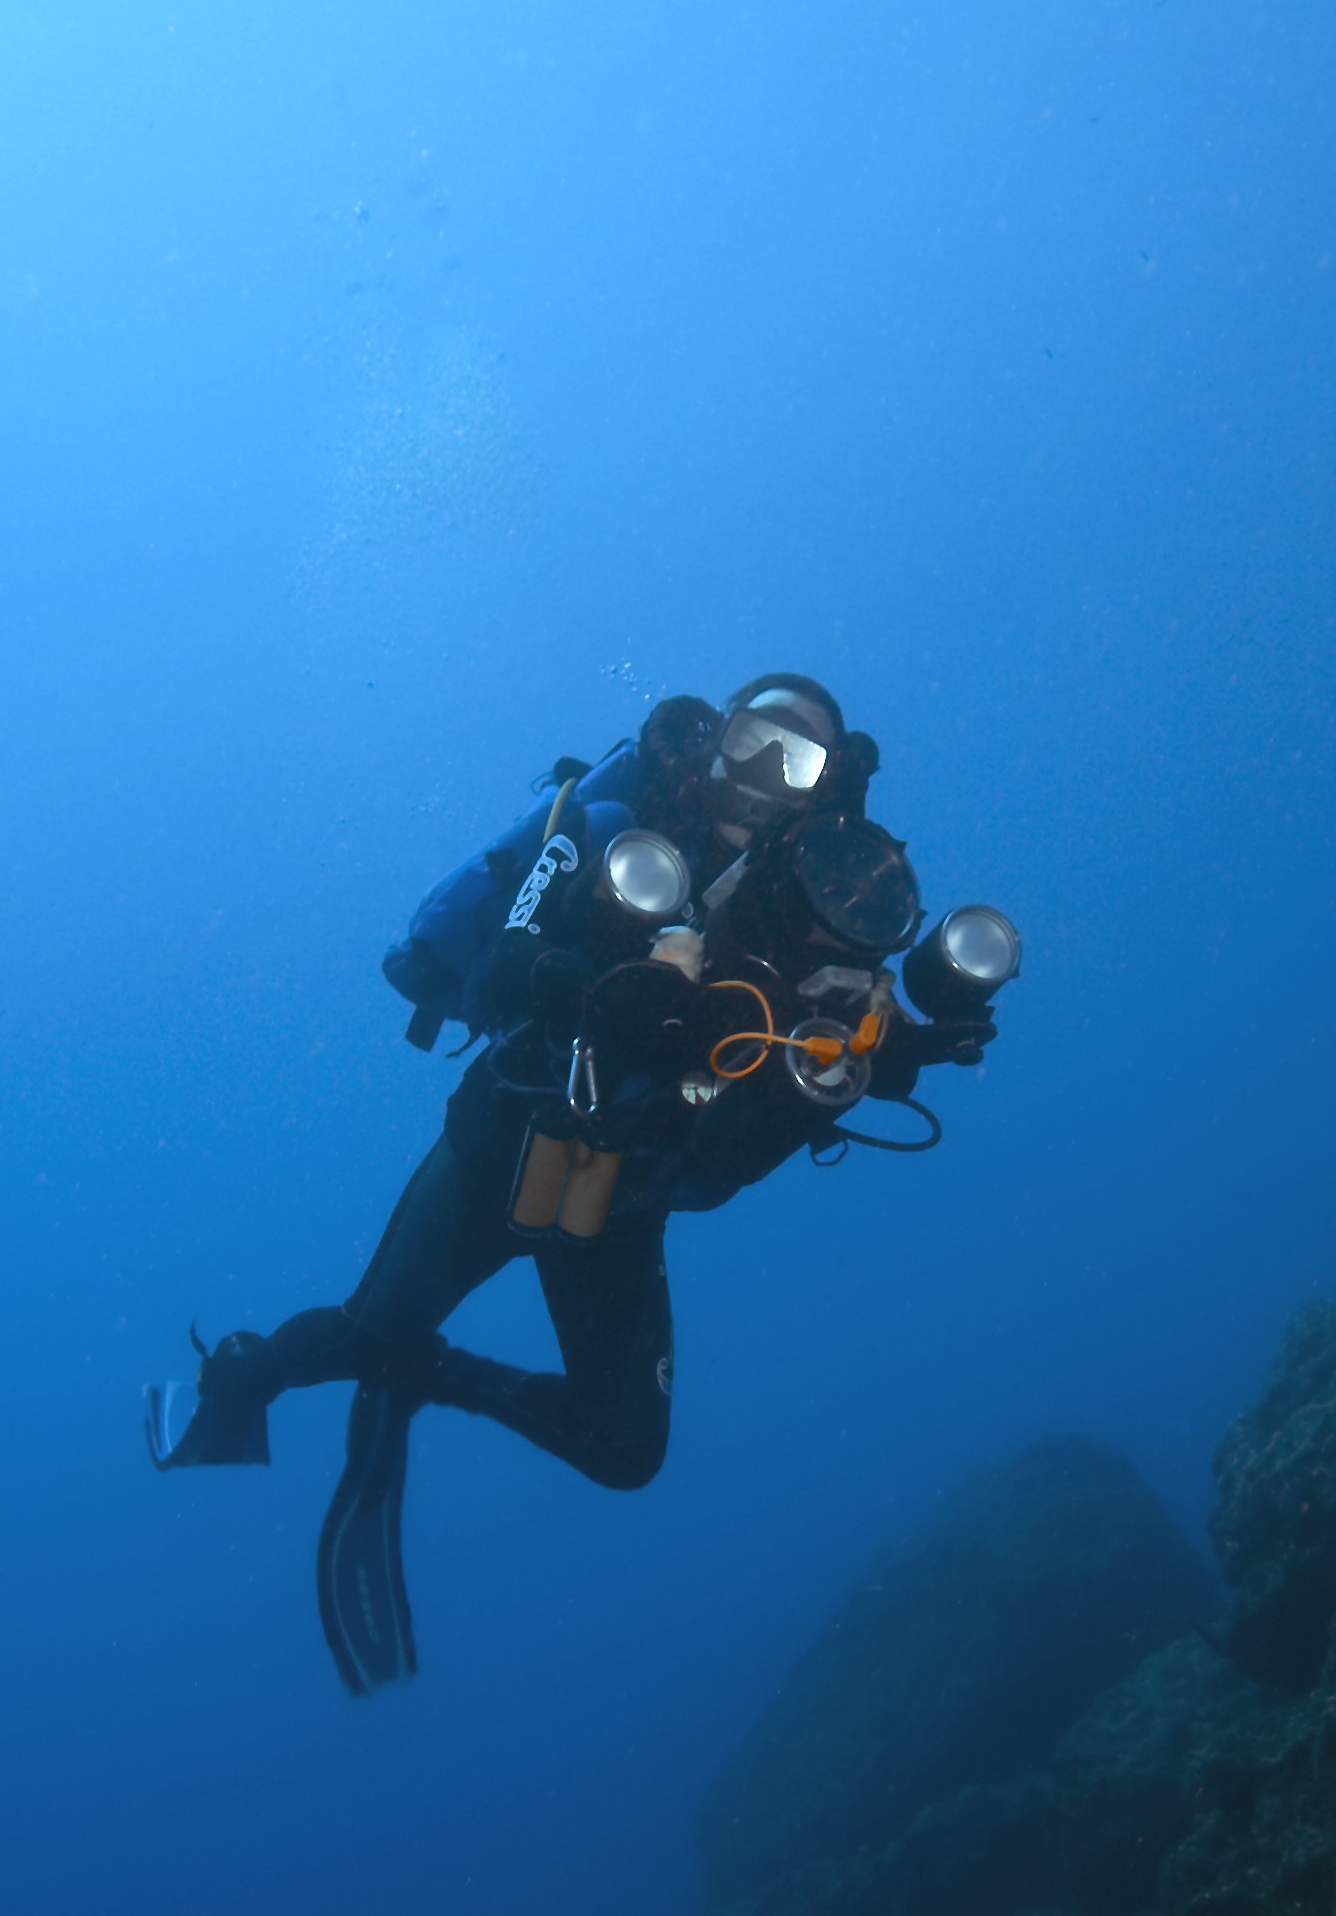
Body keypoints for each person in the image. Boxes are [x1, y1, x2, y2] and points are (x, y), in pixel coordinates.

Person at [146, 676, 1019, 1694]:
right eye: (753, 745)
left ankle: (427, 1376)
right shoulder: (607, 822)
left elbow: (822, 1044)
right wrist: (599, 990)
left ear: (827, 793)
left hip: (625, 1196)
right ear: (714, 742)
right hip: (505, 1143)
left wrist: (911, 1044)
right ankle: (239, 1377)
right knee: (366, 1329)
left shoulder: (812, 898)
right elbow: (502, 970)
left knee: (625, 1452)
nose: (764, 781)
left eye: (800, 765)